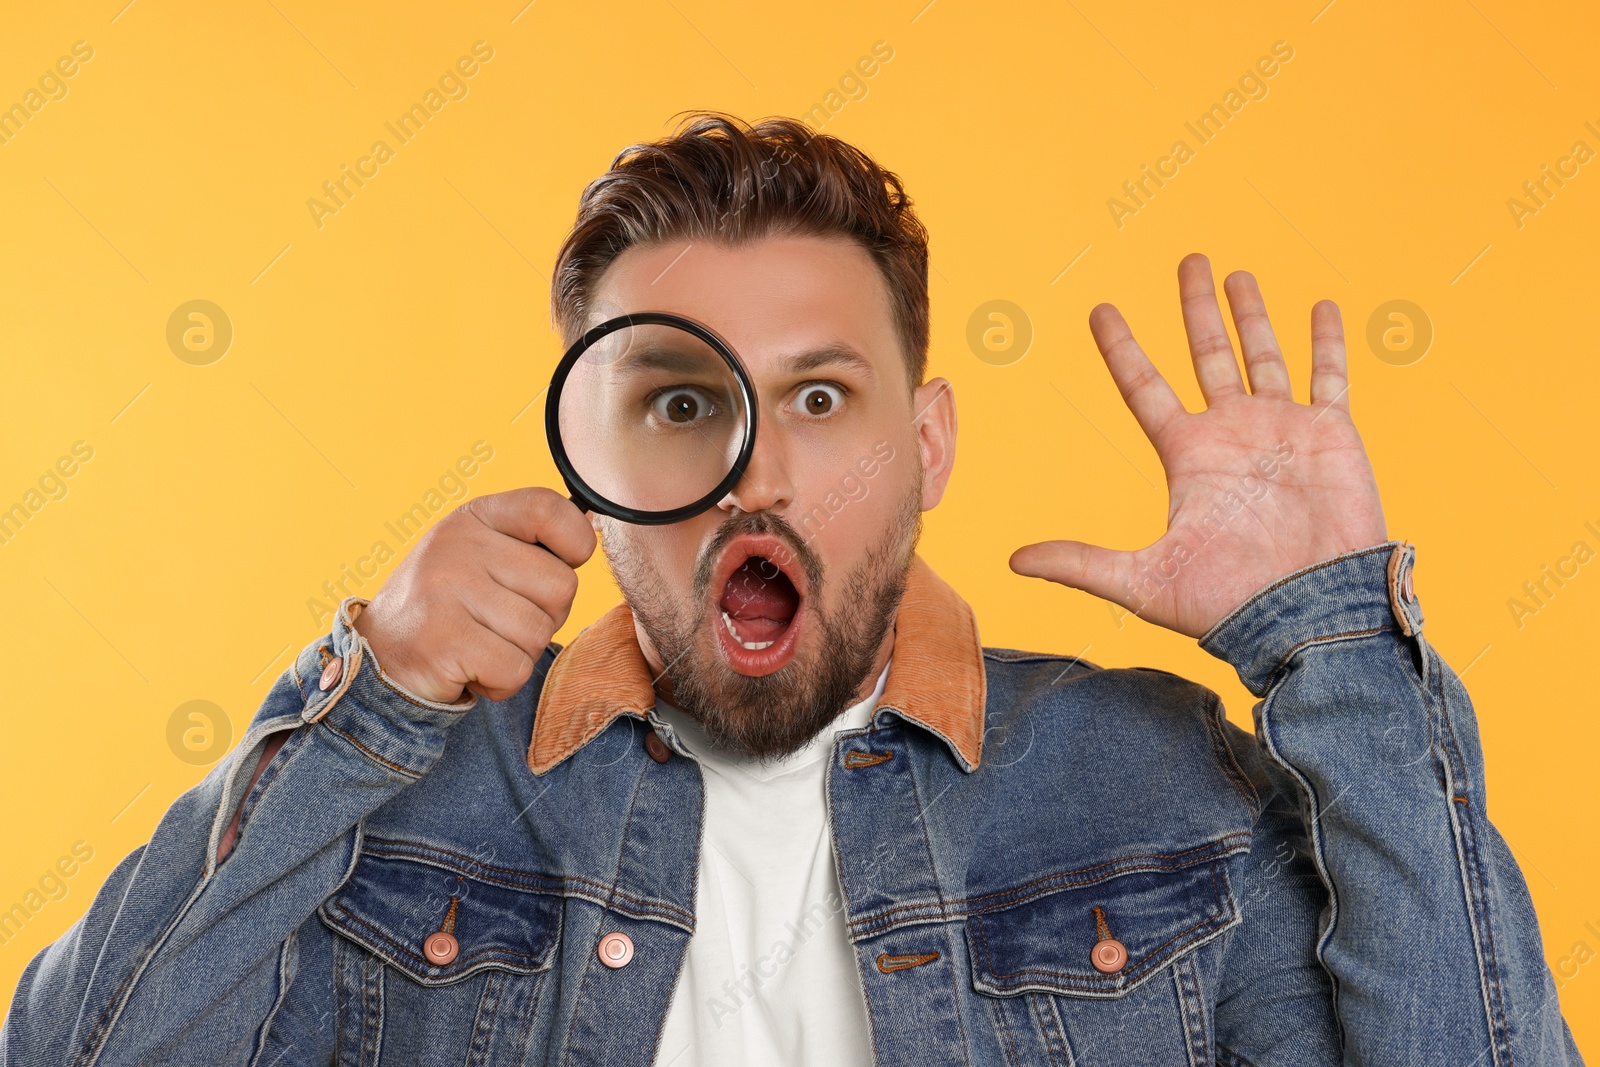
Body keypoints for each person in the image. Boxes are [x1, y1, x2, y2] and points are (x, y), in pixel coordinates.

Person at [1, 111, 1582, 1066]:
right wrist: (362, 707)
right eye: (682, 402)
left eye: (819, 398)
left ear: (928, 444)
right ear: (589, 447)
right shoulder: (404, 807)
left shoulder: (1161, 789)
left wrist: (1337, 650)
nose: (752, 474)